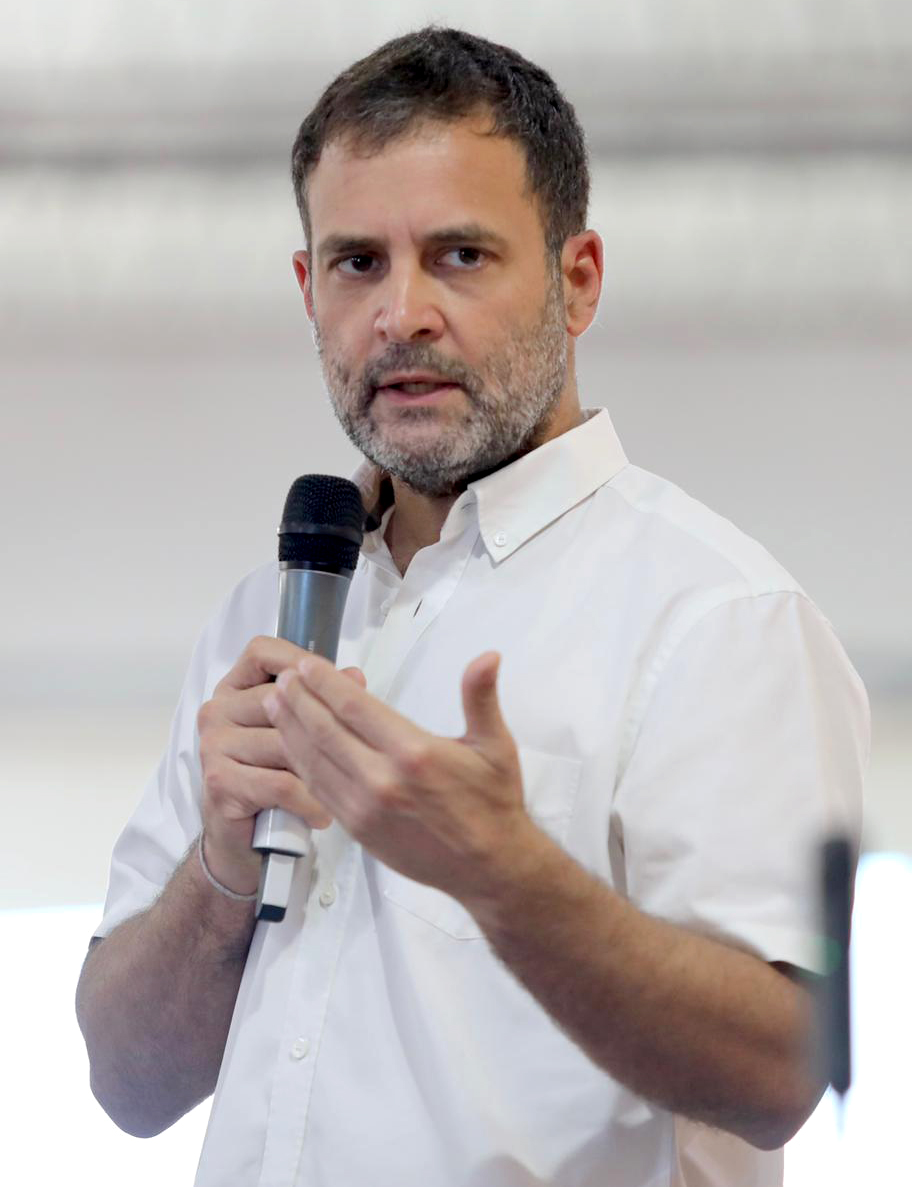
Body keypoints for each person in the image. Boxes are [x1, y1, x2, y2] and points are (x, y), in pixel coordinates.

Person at [75, 26, 868, 1187]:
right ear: (308, 289)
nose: (401, 314)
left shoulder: (718, 615)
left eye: (458, 256)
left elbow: (783, 1074)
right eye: (357, 263)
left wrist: (505, 872)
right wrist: (223, 860)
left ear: (577, 278)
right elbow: (124, 1082)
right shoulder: (268, 613)